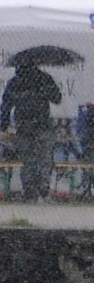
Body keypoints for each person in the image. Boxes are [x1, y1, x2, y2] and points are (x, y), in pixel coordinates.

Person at [1, 60, 63, 201]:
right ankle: (43, 191)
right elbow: (57, 98)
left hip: (24, 126)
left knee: (29, 161)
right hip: (42, 125)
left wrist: (3, 125)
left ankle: (30, 193)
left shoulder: (15, 82)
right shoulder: (44, 78)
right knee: (44, 160)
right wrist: (44, 89)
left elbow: (6, 105)